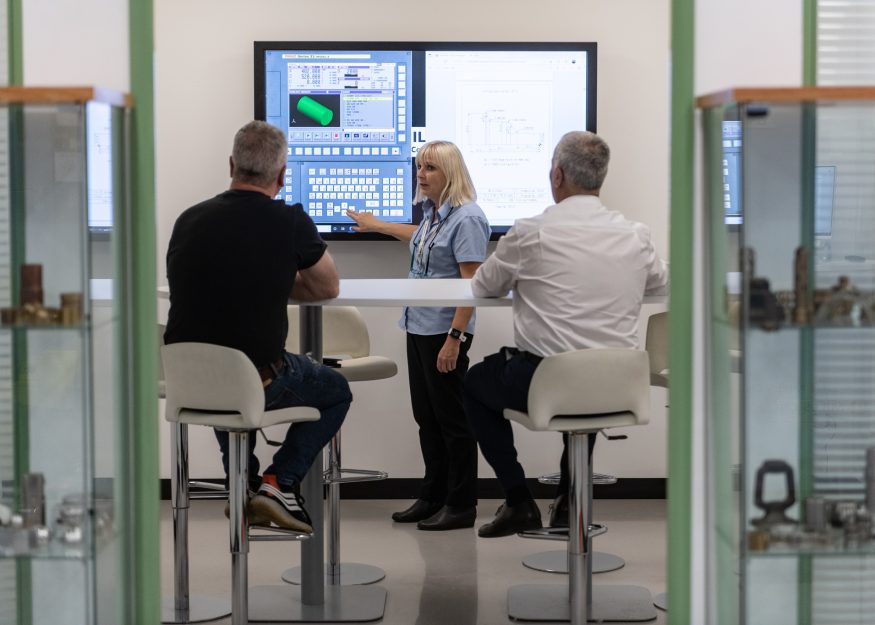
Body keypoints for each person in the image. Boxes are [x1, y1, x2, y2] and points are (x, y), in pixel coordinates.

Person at [463, 131, 669, 537]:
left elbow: (484, 285)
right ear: (600, 179)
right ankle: (571, 501)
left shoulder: (530, 232)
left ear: (556, 175)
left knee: (473, 385)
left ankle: (518, 499)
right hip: (619, 383)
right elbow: (660, 283)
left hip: (547, 381)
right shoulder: (635, 234)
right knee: (588, 384)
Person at [164, 120, 350, 534]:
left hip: (189, 378)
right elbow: (327, 286)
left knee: (222, 367)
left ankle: (241, 486)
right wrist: (279, 274)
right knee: (335, 390)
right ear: (282, 175)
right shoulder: (288, 221)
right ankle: (277, 483)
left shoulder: (188, 219)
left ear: (232, 164)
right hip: (257, 380)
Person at [346, 140, 489, 531]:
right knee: (427, 418)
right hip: (418, 326)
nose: (421, 175)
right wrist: (377, 225)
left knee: (453, 421)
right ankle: (432, 496)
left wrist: (455, 339)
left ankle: (461, 505)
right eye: (420, 167)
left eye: (430, 168)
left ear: (450, 173)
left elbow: (471, 286)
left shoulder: (468, 219)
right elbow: (419, 237)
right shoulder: (435, 214)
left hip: (445, 332)